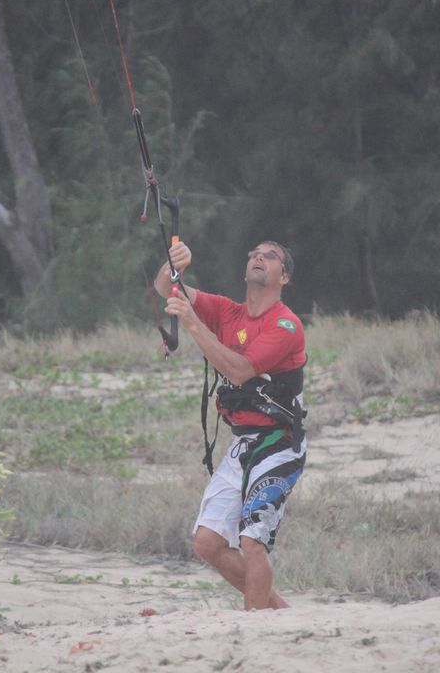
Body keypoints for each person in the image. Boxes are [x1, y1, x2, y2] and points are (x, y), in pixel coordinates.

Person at [155, 239, 307, 610]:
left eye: (270, 257)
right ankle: (278, 611)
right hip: (243, 443)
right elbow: (165, 286)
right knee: (207, 543)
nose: (258, 257)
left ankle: (254, 624)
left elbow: (239, 371)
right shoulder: (226, 312)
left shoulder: (286, 325)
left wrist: (192, 324)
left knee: (252, 541)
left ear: (283, 276)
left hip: (279, 443)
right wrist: (173, 264)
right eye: (253, 254)